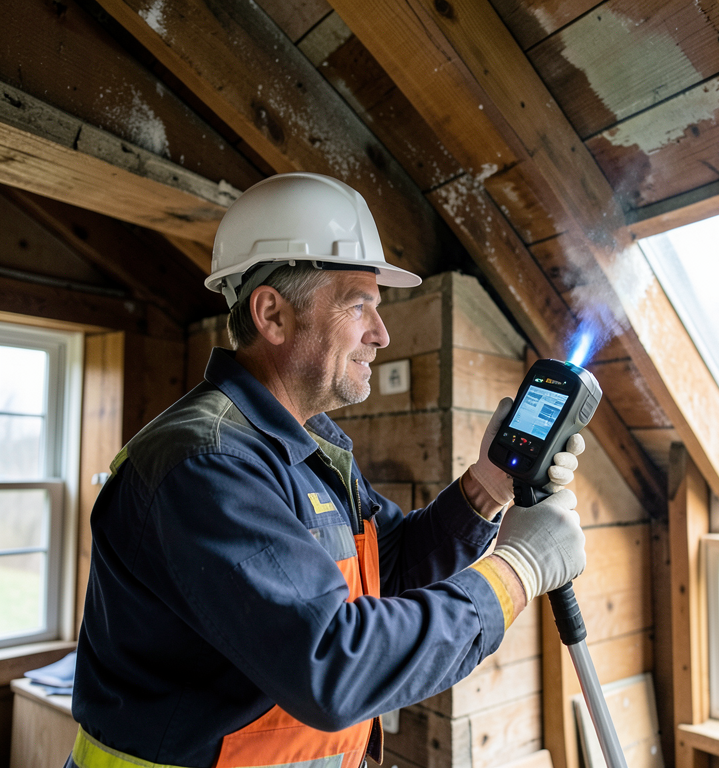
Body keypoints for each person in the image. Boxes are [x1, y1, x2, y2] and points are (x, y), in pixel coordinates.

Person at [68, 173, 587, 768]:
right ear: (273, 314)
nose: (381, 334)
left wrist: (487, 487)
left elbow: (388, 569)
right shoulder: (207, 463)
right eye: (358, 304)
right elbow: (332, 665)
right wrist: (519, 569)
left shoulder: (303, 446)